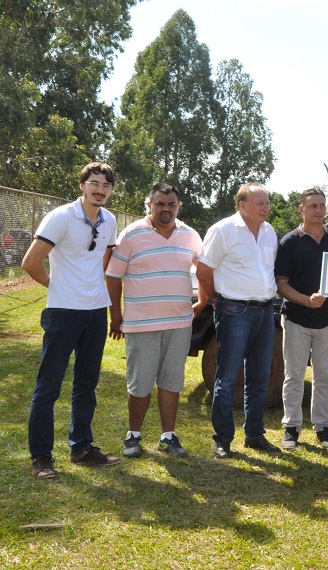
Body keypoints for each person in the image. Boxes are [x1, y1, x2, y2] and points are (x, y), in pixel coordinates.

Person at [22, 162, 120, 478]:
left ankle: (80, 448)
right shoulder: (61, 217)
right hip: (63, 312)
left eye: (106, 185)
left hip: (95, 312)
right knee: (49, 386)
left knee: (86, 384)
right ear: (82, 185)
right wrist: (58, 286)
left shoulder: (110, 221)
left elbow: (102, 261)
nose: (100, 189)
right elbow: (30, 262)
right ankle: (41, 458)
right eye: (94, 183)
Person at [106, 182, 204, 459]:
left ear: (178, 207)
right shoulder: (132, 234)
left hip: (179, 324)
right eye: (160, 203)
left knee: (172, 382)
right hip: (141, 324)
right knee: (140, 383)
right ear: (149, 205)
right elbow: (113, 276)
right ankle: (133, 436)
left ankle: (167, 437)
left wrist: (204, 299)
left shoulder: (190, 235)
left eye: (171, 204)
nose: (166, 209)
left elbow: (205, 268)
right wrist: (116, 317)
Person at [196, 184, 280, 459]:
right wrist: (214, 298)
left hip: (266, 312)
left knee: (259, 376)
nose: (266, 208)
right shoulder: (223, 230)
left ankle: (255, 435)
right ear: (242, 205)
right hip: (234, 311)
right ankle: (223, 439)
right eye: (260, 203)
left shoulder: (269, 232)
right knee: (228, 376)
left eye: (267, 203)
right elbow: (204, 269)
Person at [276, 188, 328, 451]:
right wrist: (306, 300)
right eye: (313, 205)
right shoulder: (289, 242)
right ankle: (291, 427)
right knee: (293, 375)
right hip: (296, 319)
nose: (318, 210)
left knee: (324, 376)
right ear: (301, 209)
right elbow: (281, 284)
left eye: (322, 205)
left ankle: (323, 427)